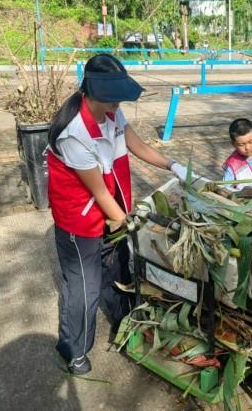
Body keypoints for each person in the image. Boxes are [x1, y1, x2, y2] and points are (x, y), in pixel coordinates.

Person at [46, 54, 189, 375]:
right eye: (113, 98)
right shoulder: (73, 132)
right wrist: (135, 224)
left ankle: (124, 323)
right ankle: (73, 350)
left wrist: (173, 165)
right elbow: (98, 193)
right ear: (93, 92)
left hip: (113, 210)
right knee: (84, 287)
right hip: (80, 222)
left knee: (118, 270)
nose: (118, 104)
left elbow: (136, 144)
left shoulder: (110, 110)